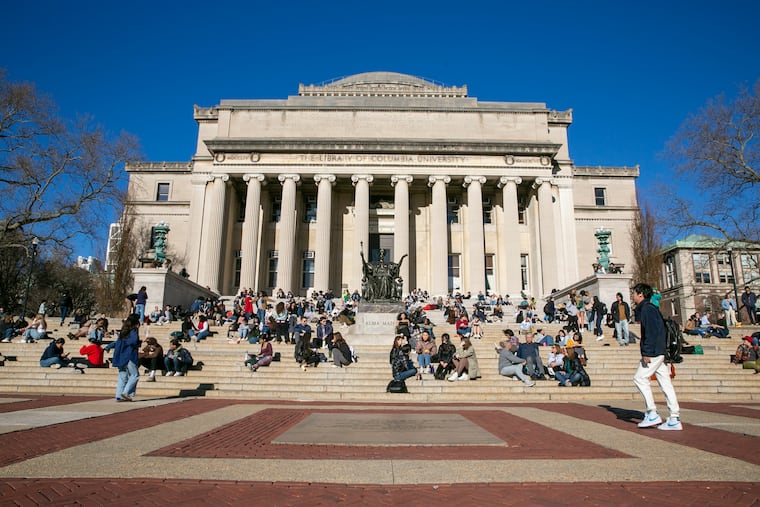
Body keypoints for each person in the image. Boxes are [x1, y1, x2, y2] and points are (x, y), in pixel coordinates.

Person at [632, 282, 682, 431]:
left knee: (639, 378)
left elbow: (651, 333)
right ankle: (674, 417)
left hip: (654, 351)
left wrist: (647, 352)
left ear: (641, 294)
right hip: (660, 351)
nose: (633, 296)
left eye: (634, 293)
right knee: (665, 382)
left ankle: (652, 412)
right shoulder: (651, 309)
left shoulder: (647, 309)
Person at [113, 314, 141, 402]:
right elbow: (133, 341)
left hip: (121, 356)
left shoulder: (123, 331)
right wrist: (138, 343)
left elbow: (118, 342)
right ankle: (126, 392)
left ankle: (118, 395)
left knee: (122, 376)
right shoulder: (133, 331)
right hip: (129, 355)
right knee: (135, 375)